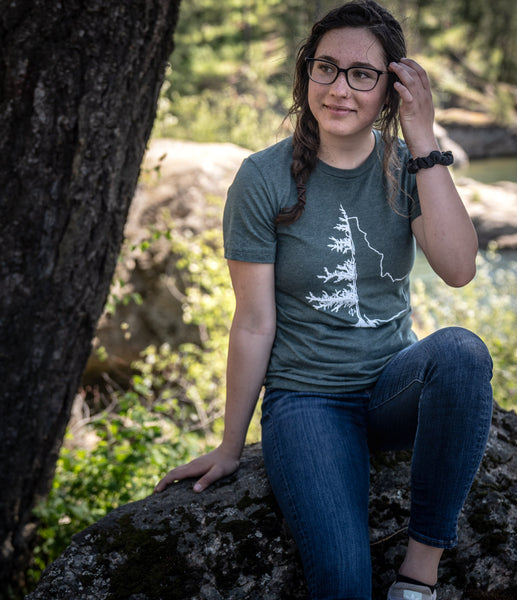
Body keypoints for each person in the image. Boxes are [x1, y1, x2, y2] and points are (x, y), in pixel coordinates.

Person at [155, 2, 494, 599]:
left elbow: (459, 268)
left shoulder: (405, 165)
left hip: (390, 388)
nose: (340, 88)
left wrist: (423, 138)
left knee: (462, 352)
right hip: (307, 402)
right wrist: (231, 447)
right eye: (326, 67)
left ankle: (419, 576)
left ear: (389, 88)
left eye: (363, 74)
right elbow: (255, 323)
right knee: (342, 583)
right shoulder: (262, 180)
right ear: (305, 73)